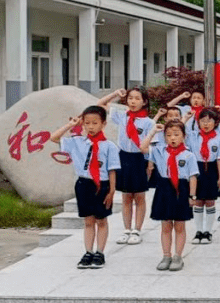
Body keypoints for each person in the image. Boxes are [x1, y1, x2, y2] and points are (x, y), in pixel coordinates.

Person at [49, 106, 120, 269]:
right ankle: (88, 252)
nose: (90, 126)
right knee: (88, 220)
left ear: (103, 124)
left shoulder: (109, 146)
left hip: (102, 185)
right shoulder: (77, 142)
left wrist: (111, 191)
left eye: (95, 123)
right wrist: (70, 125)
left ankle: (99, 253)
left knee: (101, 220)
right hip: (84, 184)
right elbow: (54, 138)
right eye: (87, 123)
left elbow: (112, 170)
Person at [140, 119, 198, 271]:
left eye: (176, 134)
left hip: (181, 189)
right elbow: (143, 147)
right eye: (169, 135)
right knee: (165, 226)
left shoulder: (189, 155)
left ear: (184, 136)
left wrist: (192, 196)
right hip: (164, 189)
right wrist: (153, 132)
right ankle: (166, 255)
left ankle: (178, 256)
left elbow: (192, 176)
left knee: (179, 225)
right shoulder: (159, 151)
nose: (172, 138)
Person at [98, 87, 153, 246]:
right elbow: (100, 104)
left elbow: (152, 145)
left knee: (139, 196)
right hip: (123, 157)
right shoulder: (122, 116)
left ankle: (137, 229)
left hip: (140, 158)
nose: (133, 101)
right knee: (126, 196)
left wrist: (150, 165)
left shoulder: (148, 122)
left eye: (137, 98)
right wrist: (116, 94)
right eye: (130, 98)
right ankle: (127, 229)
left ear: (144, 102)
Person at [186, 107, 220, 244]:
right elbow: (181, 129)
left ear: (216, 123)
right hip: (196, 169)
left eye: (209, 121)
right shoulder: (193, 136)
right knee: (198, 201)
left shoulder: (218, 139)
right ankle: (198, 231)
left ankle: (208, 231)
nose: (206, 124)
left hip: (212, 169)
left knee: (209, 201)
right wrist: (187, 117)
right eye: (203, 121)